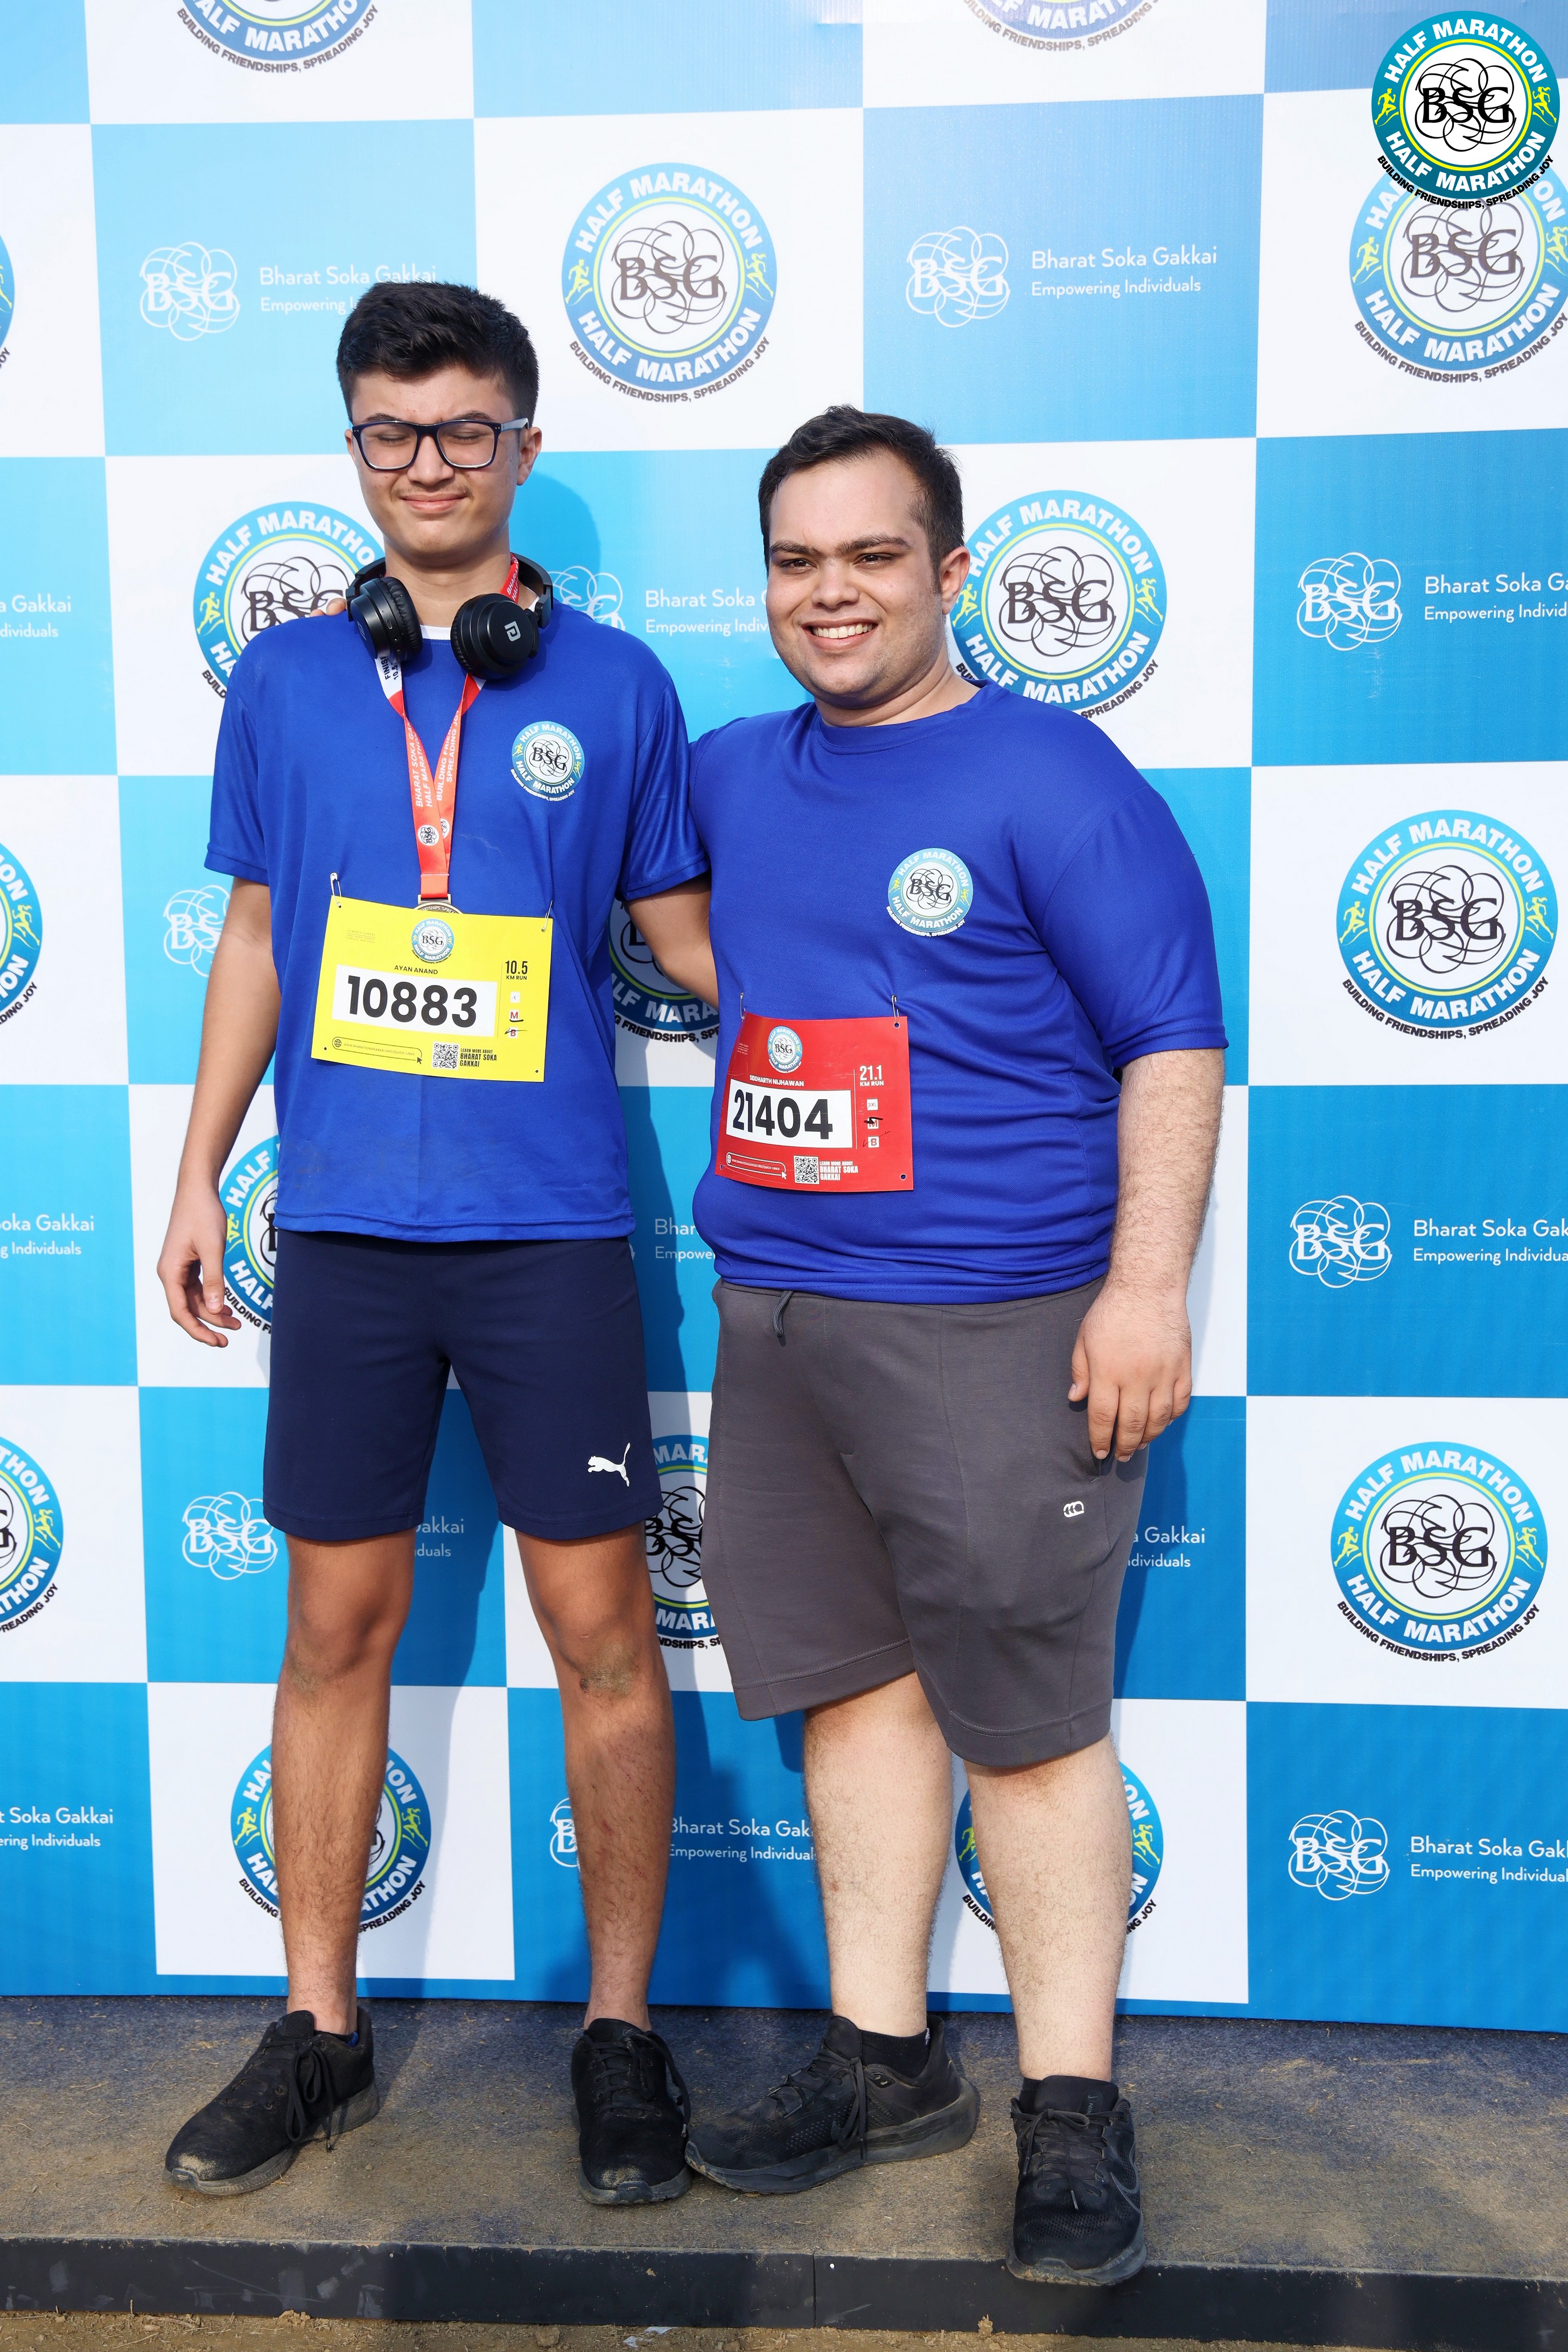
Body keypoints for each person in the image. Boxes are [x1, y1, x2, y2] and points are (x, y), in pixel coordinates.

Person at [157, 282, 717, 2207]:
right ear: (354, 449)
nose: (429, 464)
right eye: (392, 433)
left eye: (466, 430)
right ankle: (318, 2028)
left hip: (548, 1231)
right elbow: (255, 937)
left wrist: (897, 998)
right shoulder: (283, 680)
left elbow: (688, 939)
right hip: (344, 1235)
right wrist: (197, 1169)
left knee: (606, 1635)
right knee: (332, 1630)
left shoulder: (618, 688)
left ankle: (621, 2036)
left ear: (524, 447)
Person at [682, 409, 1226, 2285]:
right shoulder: (734, 772)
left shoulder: (1052, 774)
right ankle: (886, 2059)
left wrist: (1144, 1290)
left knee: (1031, 1722)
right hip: (777, 1316)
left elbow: (1171, 1041)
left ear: (952, 572)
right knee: (855, 1692)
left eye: (872, 556)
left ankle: (1070, 2107)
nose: (830, 593)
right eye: (796, 560)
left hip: (998, 1320)